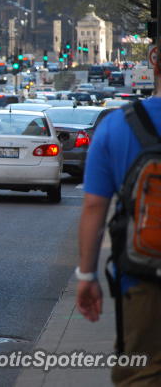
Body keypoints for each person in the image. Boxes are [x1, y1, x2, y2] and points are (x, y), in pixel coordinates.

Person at [77, 67, 161, 385]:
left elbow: (94, 206)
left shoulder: (117, 125)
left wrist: (87, 275)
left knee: (142, 371)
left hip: (141, 276)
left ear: (155, 65)